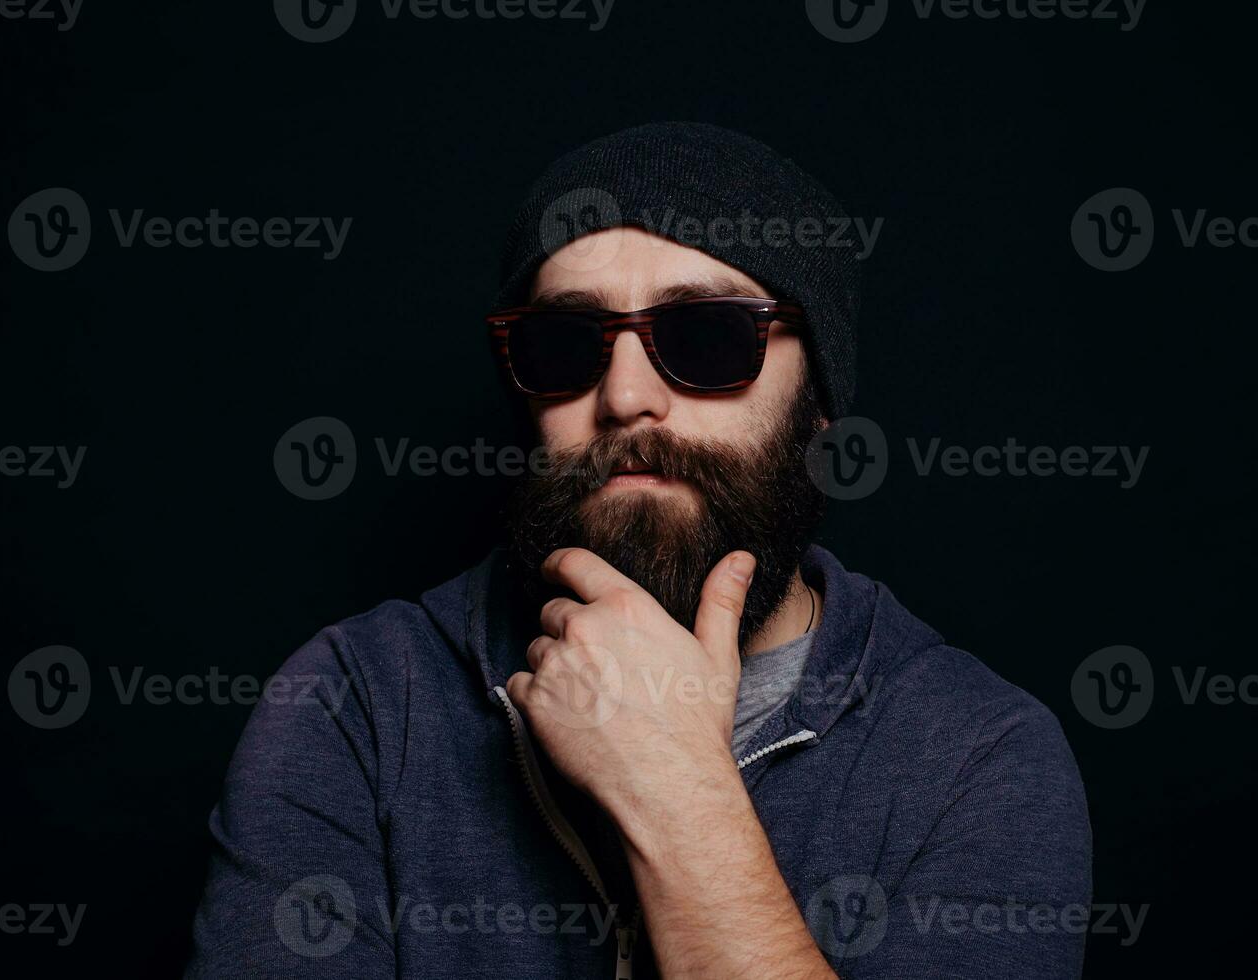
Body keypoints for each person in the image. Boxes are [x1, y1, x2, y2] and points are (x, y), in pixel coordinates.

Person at [187, 121, 1092, 978]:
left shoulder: (979, 753)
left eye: (704, 337)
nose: (624, 396)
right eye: (565, 345)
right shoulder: (358, 705)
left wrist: (677, 794)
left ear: (819, 400)